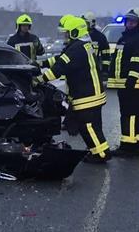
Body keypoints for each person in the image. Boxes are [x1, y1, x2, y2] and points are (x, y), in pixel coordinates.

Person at [37, 14, 110, 163]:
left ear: (75, 32)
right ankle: (96, 151)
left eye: (66, 33)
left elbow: (59, 68)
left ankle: (102, 154)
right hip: (90, 94)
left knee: (89, 126)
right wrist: (42, 63)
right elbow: (60, 59)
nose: (64, 36)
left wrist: (39, 79)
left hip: (87, 96)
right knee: (89, 127)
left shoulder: (76, 49)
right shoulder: (81, 46)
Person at [107, 7, 139, 156]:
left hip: (135, 83)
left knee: (131, 114)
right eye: (128, 21)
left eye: (133, 21)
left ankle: (129, 147)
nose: (129, 24)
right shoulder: (125, 38)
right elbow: (118, 59)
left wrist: (132, 79)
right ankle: (134, 144)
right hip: (125, 83)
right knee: (130, 114)